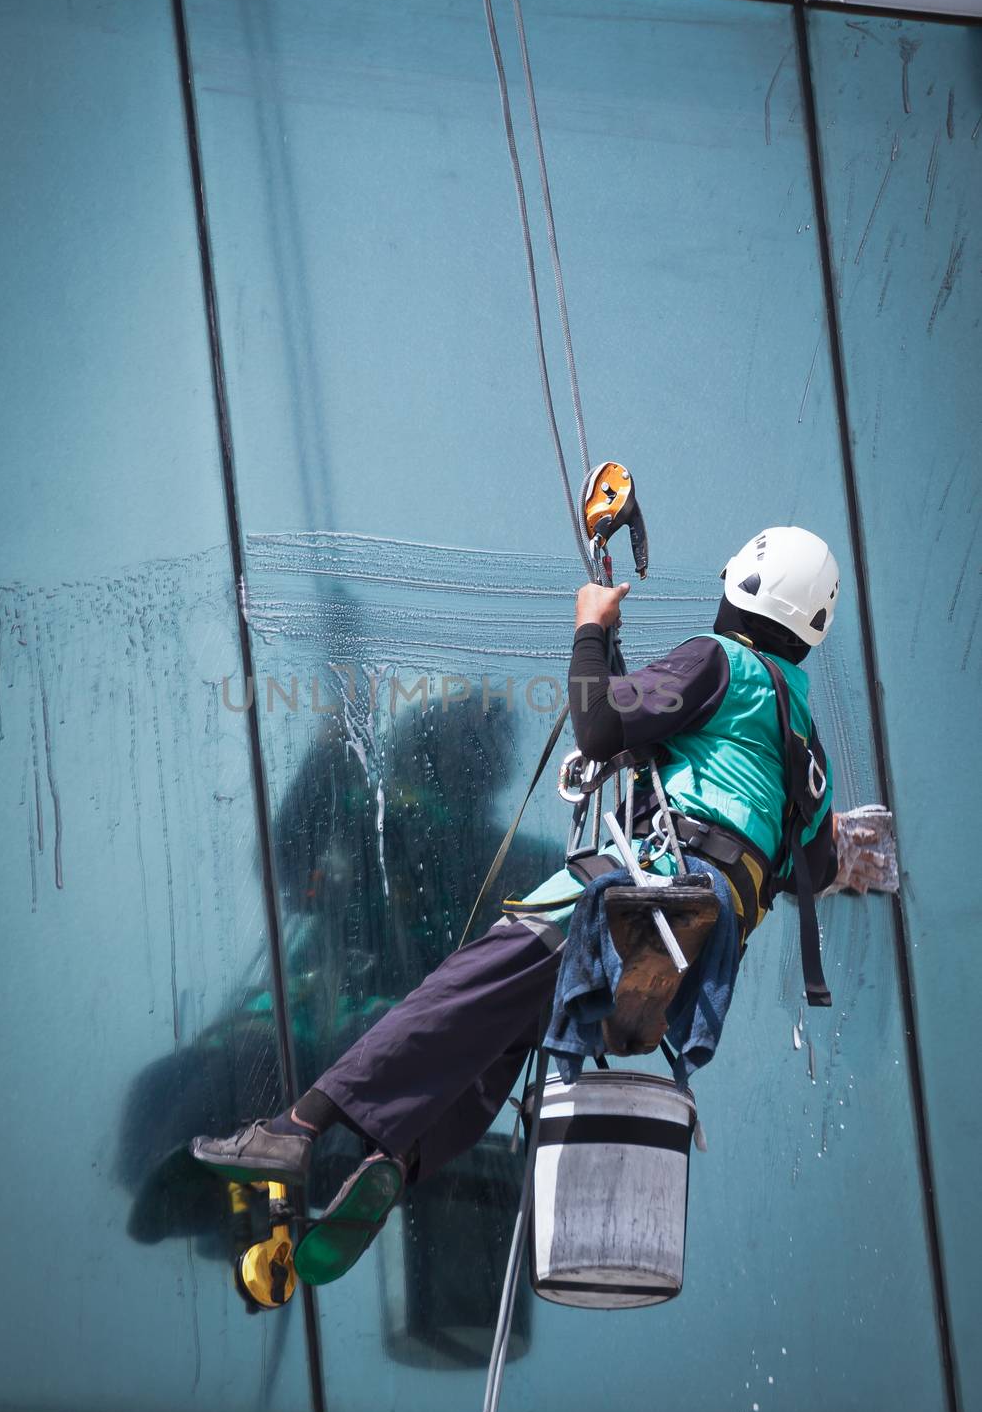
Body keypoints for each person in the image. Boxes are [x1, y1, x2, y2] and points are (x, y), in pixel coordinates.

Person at [192, 527, 894, 1286]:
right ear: (812, 627)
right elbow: (811, 867)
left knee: (459, 993)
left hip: (642, 892)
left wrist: (590, 627)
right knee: (497, 1041)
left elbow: (598, 725)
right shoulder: (801, 735)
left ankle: (292, 1132)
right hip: (704, 942)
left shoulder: (715, 661)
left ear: (739, 586)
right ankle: (395, 1159)